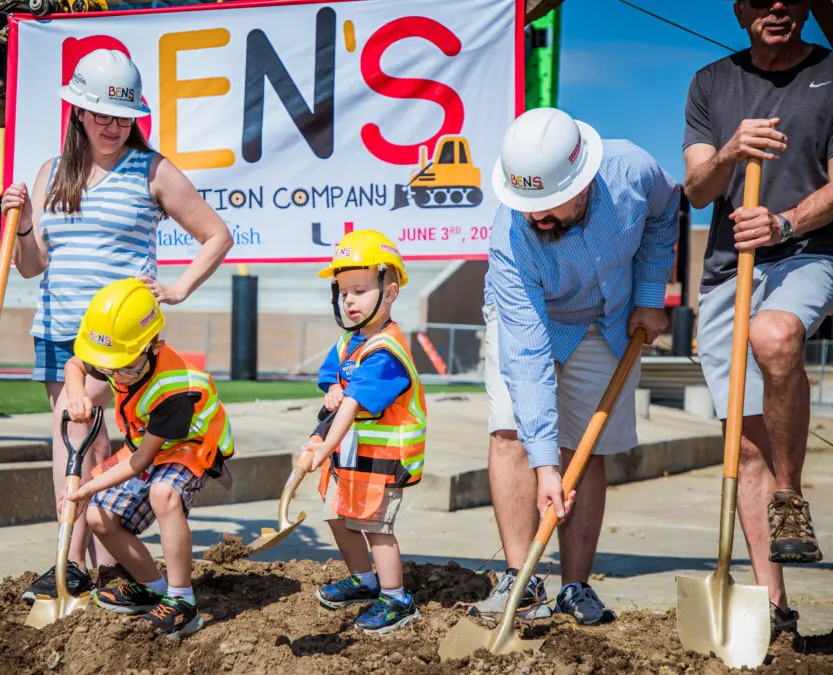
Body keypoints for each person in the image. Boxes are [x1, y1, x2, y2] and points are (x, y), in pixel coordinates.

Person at [0, 48, 232, 603]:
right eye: (101, 114)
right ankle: (113, 564)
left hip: (118, 341)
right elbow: (32, 266)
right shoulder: (51, 173)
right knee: (87, 438)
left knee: (75, 432)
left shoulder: (152, 170)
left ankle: (72, 561)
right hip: (59, 329)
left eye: (123, 116)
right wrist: (27, 224)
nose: (112, 126)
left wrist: (177, 289)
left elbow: (216, 235)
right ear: (78, 112)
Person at [476, 107, 678, 625]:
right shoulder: (511, 242)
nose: (535, 216)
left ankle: (574, 586)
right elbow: (527, 361)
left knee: (586, 447)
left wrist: (652, 293)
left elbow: (664, 213)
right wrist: (545, 467)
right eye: (526, 204)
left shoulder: (632, 169)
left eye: (547, 206)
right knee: (512, 433)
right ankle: (521, 583)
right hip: (529, 317)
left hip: (605, 319)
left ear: (584, 182)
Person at [682, 0, 833, 635]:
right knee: (744, 447)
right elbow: (695, 190)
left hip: (804, 250)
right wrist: (731, 152)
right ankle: (773, 606)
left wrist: (785, 221)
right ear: (739, 8)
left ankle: (789, 495)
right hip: (727, 269)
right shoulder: (711, 82)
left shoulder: (830, 74)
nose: (776, 7)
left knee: (776, 334)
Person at [61, 278, 234, 638]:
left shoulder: (175, 388)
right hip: (147, 444)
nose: (114, 375)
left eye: (124, 367)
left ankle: (182, 600)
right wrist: (77, 394)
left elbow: (140, 462)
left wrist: (87, 487)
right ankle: (152, 587)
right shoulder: (117, 359)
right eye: (108, 368)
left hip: (189, 447)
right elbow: (76, 365)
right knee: (98, 516)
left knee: (163, 494)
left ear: (155, 345)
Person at [300, 230, 427, 635]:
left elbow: (355, 404)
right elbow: (332, 381)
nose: (349, 300)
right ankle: (364, 580)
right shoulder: (347, 342)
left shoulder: (385, 353)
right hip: (352, 459)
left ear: (390, 292)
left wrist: (323, 447)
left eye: (359, 290)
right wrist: (333, 388)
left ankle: (396, 598)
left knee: (376, 528)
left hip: (383, 462)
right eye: (342, 292)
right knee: (338, 518)